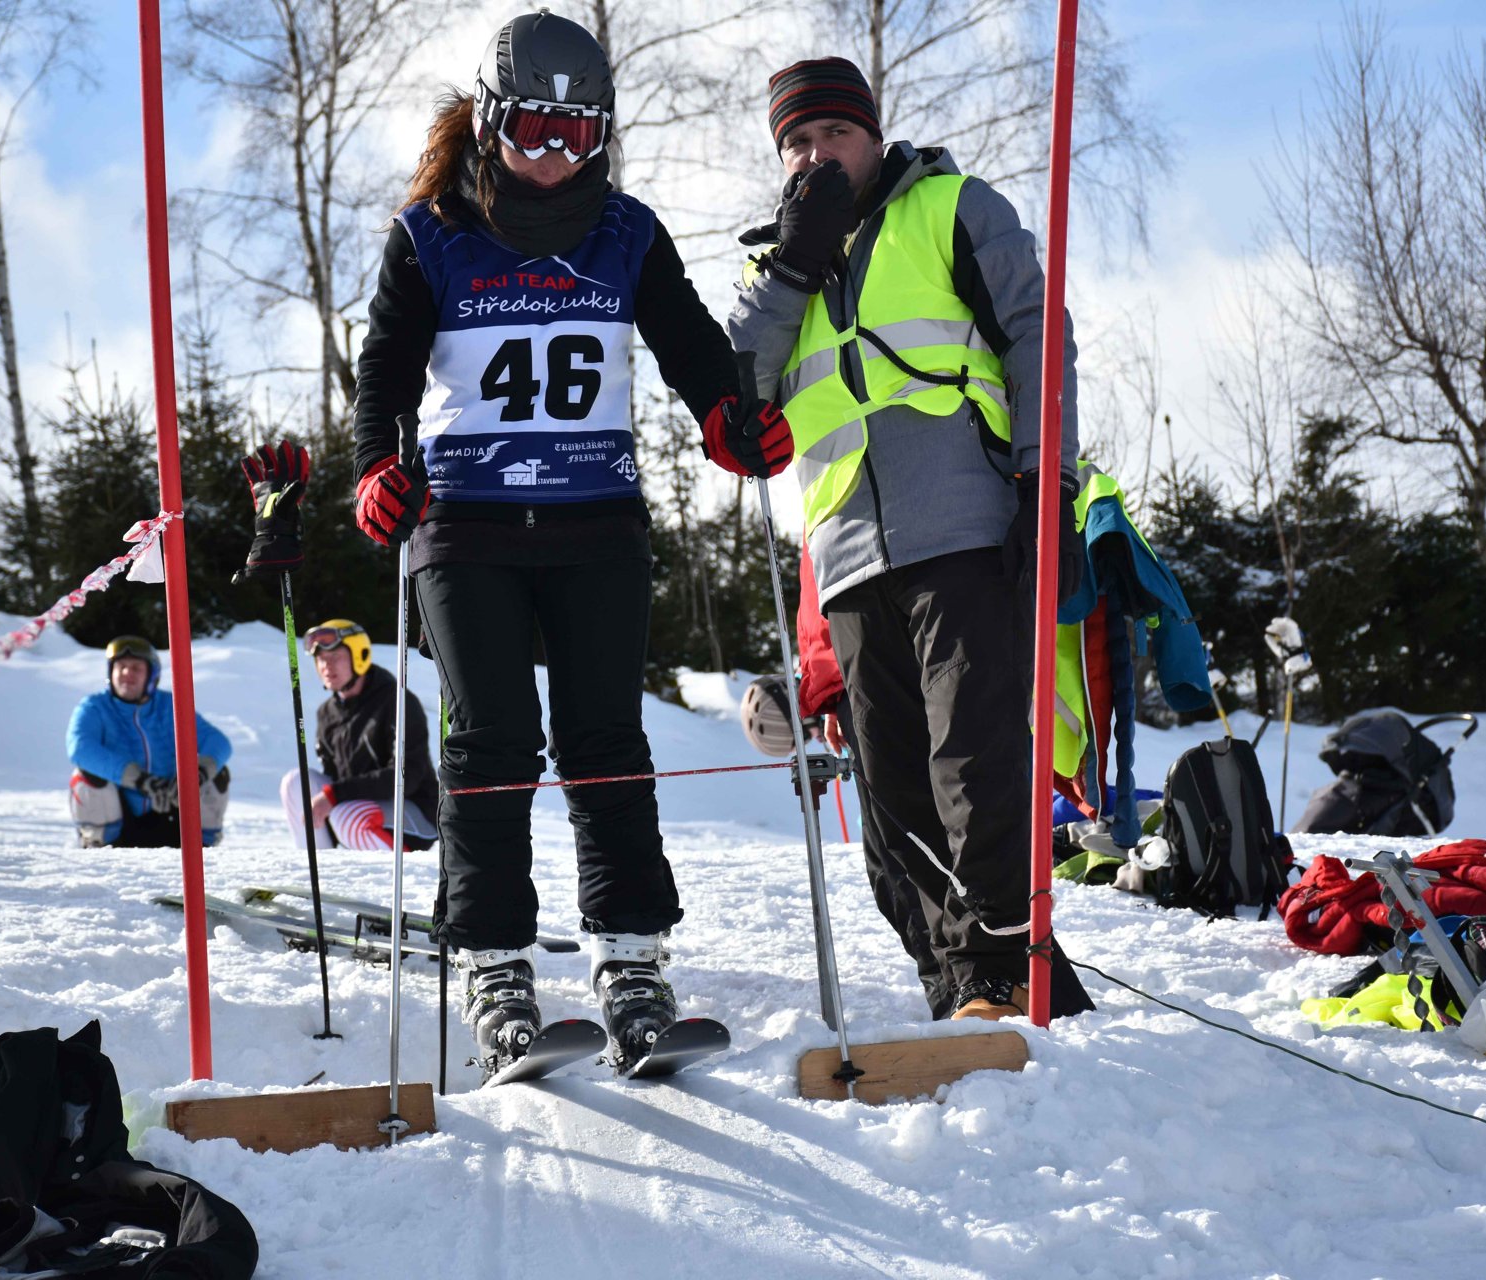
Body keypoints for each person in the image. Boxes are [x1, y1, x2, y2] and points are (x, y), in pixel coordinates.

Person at [350, 11, 790, 1073]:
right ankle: (496, 965)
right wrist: (373, 471)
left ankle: (632, 963)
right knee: (492, 738)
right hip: (467, 524)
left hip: (598, 520)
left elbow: (690, 342)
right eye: (533, 129)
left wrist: (726, 415)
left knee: (605, 741)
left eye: (577, 133)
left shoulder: (626, 232)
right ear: (489, 121)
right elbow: (384, 373)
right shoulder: (430, 236)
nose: (553, 154)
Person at [728, 57, 1094, 1022]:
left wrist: (1044, 481)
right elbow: (735, 396)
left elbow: (1036, 334)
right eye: (797, 143)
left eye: (835, 135)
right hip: (846, 556)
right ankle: (962, 987)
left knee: (972, 761)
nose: (817, 155)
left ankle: (1002, 968)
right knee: (891, 799)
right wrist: (796, 265)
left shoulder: (952, 207)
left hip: (966, 525)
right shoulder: (772, 270)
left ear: (873, 135)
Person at [279, 619, 438, 852]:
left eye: (335, 657)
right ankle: (320, 866)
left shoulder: (397, 701)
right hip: (359, 807)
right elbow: (334, 776)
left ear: (359, 655)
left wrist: (335, 795)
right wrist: (333, 796)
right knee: (296, 783)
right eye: (321, 659)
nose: (326, 666)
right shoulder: (327, 713)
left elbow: (407, 777)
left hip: (413, 810)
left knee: (348, 817)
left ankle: (392, 870)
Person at [66, 635, 233, 849]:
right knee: (86, 774)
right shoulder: (94, 706)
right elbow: (80, 748)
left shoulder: (170, 705)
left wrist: (196, 775)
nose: (127, 673)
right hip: (122, 818)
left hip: (175, 811)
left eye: (136, 668)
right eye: (121, 667)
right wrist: (138, 779)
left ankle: (204, 846)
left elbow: (218, 741)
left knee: (217, 771)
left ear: (151, 676)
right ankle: (98, 843)